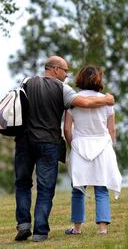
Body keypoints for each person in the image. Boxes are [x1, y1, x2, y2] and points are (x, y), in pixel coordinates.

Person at [14, 56, 115, 242]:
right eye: (65, 71)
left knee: (22, 184)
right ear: (54, 69)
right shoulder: (62, 89)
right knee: (45, 188)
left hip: (24, 141)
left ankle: (23, 224)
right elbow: (85, 103)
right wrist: (107, 100)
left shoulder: (27, 82)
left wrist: (74, 145)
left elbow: (18, 107)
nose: (67, 75)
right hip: (49, 143)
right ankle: (40, 232)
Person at [63, 66, 122, 236]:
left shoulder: (73, 100)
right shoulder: (107, 101)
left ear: (81, 79)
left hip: (80, 145)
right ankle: (102, 228)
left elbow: (67, 129)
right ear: (99, 79)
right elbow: (112, 130)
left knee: (78, 189)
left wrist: (72, 144)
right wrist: (109, 146)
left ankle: (77, 228)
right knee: (101, 188)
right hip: (102, 146)